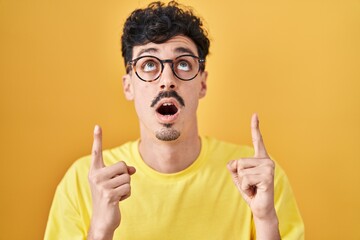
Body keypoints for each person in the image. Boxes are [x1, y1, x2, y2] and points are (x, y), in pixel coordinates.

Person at [45, 1, 304, 239]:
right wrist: (100, 229)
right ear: (128, 86)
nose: (167, 79)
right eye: (149, 64)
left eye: (183, 63)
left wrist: (265, 219)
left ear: (202, 83)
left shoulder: (257, 180)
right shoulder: (84, 181)